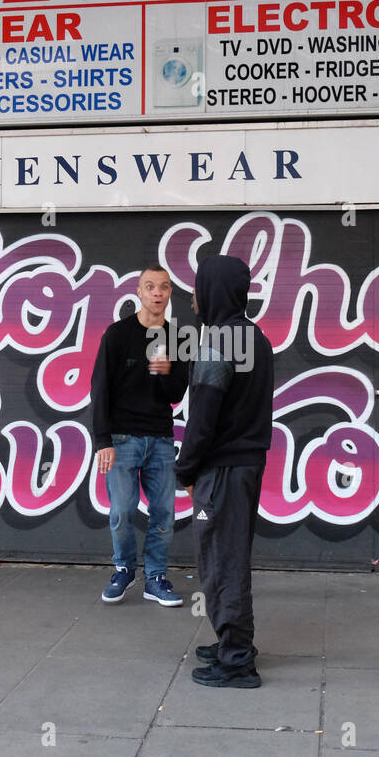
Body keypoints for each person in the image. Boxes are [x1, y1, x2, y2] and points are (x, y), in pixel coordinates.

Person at [175, 255, 273, 688]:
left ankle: (236, 661)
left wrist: (186, 467)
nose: (192, 298)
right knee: (228, 556)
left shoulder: (217, 342)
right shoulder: (255, 338)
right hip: (246, 466)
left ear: (212, 291)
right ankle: (231, 642)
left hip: (223, 470)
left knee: (221, 562)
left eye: (197, 288)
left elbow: (203, 418)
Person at [91, 266, 188, 606]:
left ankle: (156, 577)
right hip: (121, 439)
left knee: (163, 512)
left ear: (170, 293)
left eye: (163, 287)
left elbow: (177, 391)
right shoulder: (117, 335)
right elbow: (100, 388)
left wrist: (162, 371)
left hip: (160, 438)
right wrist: (102, 440)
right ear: (139, 292)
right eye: (150, 287)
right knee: (121, 511)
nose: (157, 293)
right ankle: (123, 569)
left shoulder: (178, 338)